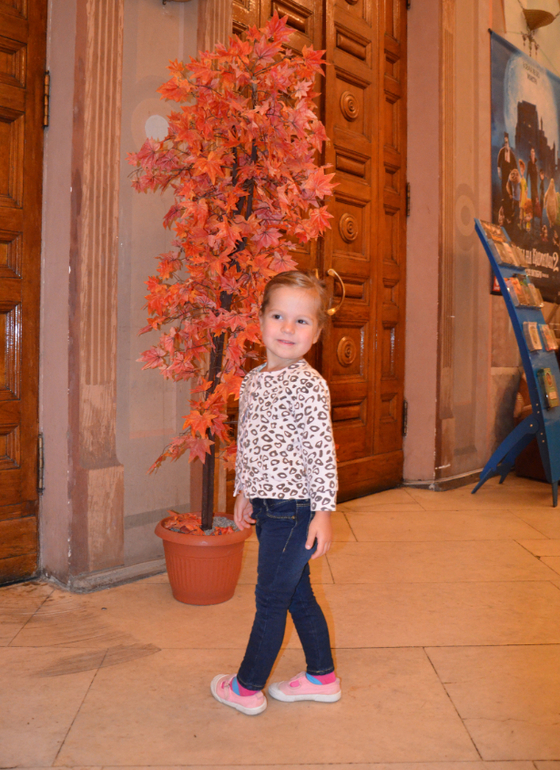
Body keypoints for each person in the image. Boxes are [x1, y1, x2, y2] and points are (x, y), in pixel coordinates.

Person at [211, 270, 340, 716]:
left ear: (316, 333)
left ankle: (246, 687)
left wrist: (323, 512)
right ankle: (322, 677)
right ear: (261, 320)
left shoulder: (309, 385)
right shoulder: (253, 379)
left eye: (301, 321)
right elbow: (249, 441)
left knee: (270, 598)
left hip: (296, 509)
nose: (288, 328)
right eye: (278, 316)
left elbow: (321, 453)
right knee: (297, 593)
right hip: (268, 507)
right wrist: (243, 489)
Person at [497, 132, 518, 205]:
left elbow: (515, 164)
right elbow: (499, 162)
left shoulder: (511, 153)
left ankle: (510, 201)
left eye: (507, 143)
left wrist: (515, 173)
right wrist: (499, 171)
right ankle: (504, 199)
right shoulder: (502, 151)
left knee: (509, 186)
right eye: (505, 143)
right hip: (503, 172)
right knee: (503, 185)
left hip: (509, 172)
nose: (506, 144)